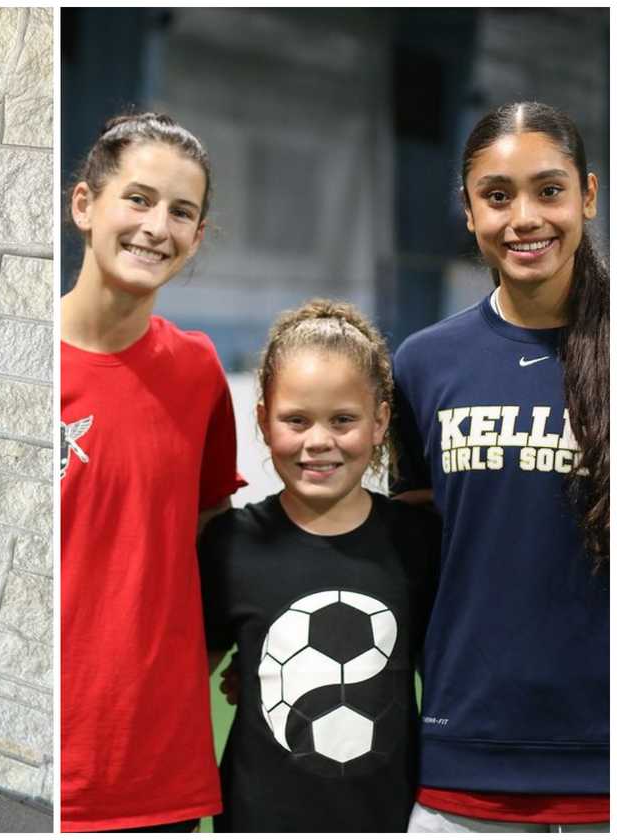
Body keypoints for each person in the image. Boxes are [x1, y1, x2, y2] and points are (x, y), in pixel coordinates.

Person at [392, 101, 609, 832]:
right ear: (468, 210)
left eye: (549, 191)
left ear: (587, 195)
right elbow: (409, 561)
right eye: (497, 195)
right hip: (461, 775)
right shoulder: (423, 365)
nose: (524, 218)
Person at [60, 112, 245, 832]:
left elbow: (212, 530)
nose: (156, 227)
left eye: (181, 212)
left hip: (157, 768)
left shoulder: (198, 372)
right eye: (138, 199)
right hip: (52, 756)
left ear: (196, 237)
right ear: (85, 205)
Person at [198, 300, 439, 832]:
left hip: (388, 821)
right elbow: (185, 684)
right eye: (297, 420)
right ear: (263, 421)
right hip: (256, 820)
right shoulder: (232, 544)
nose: (319, 441)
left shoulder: (418, 541)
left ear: (379, 422)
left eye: (343, 420)